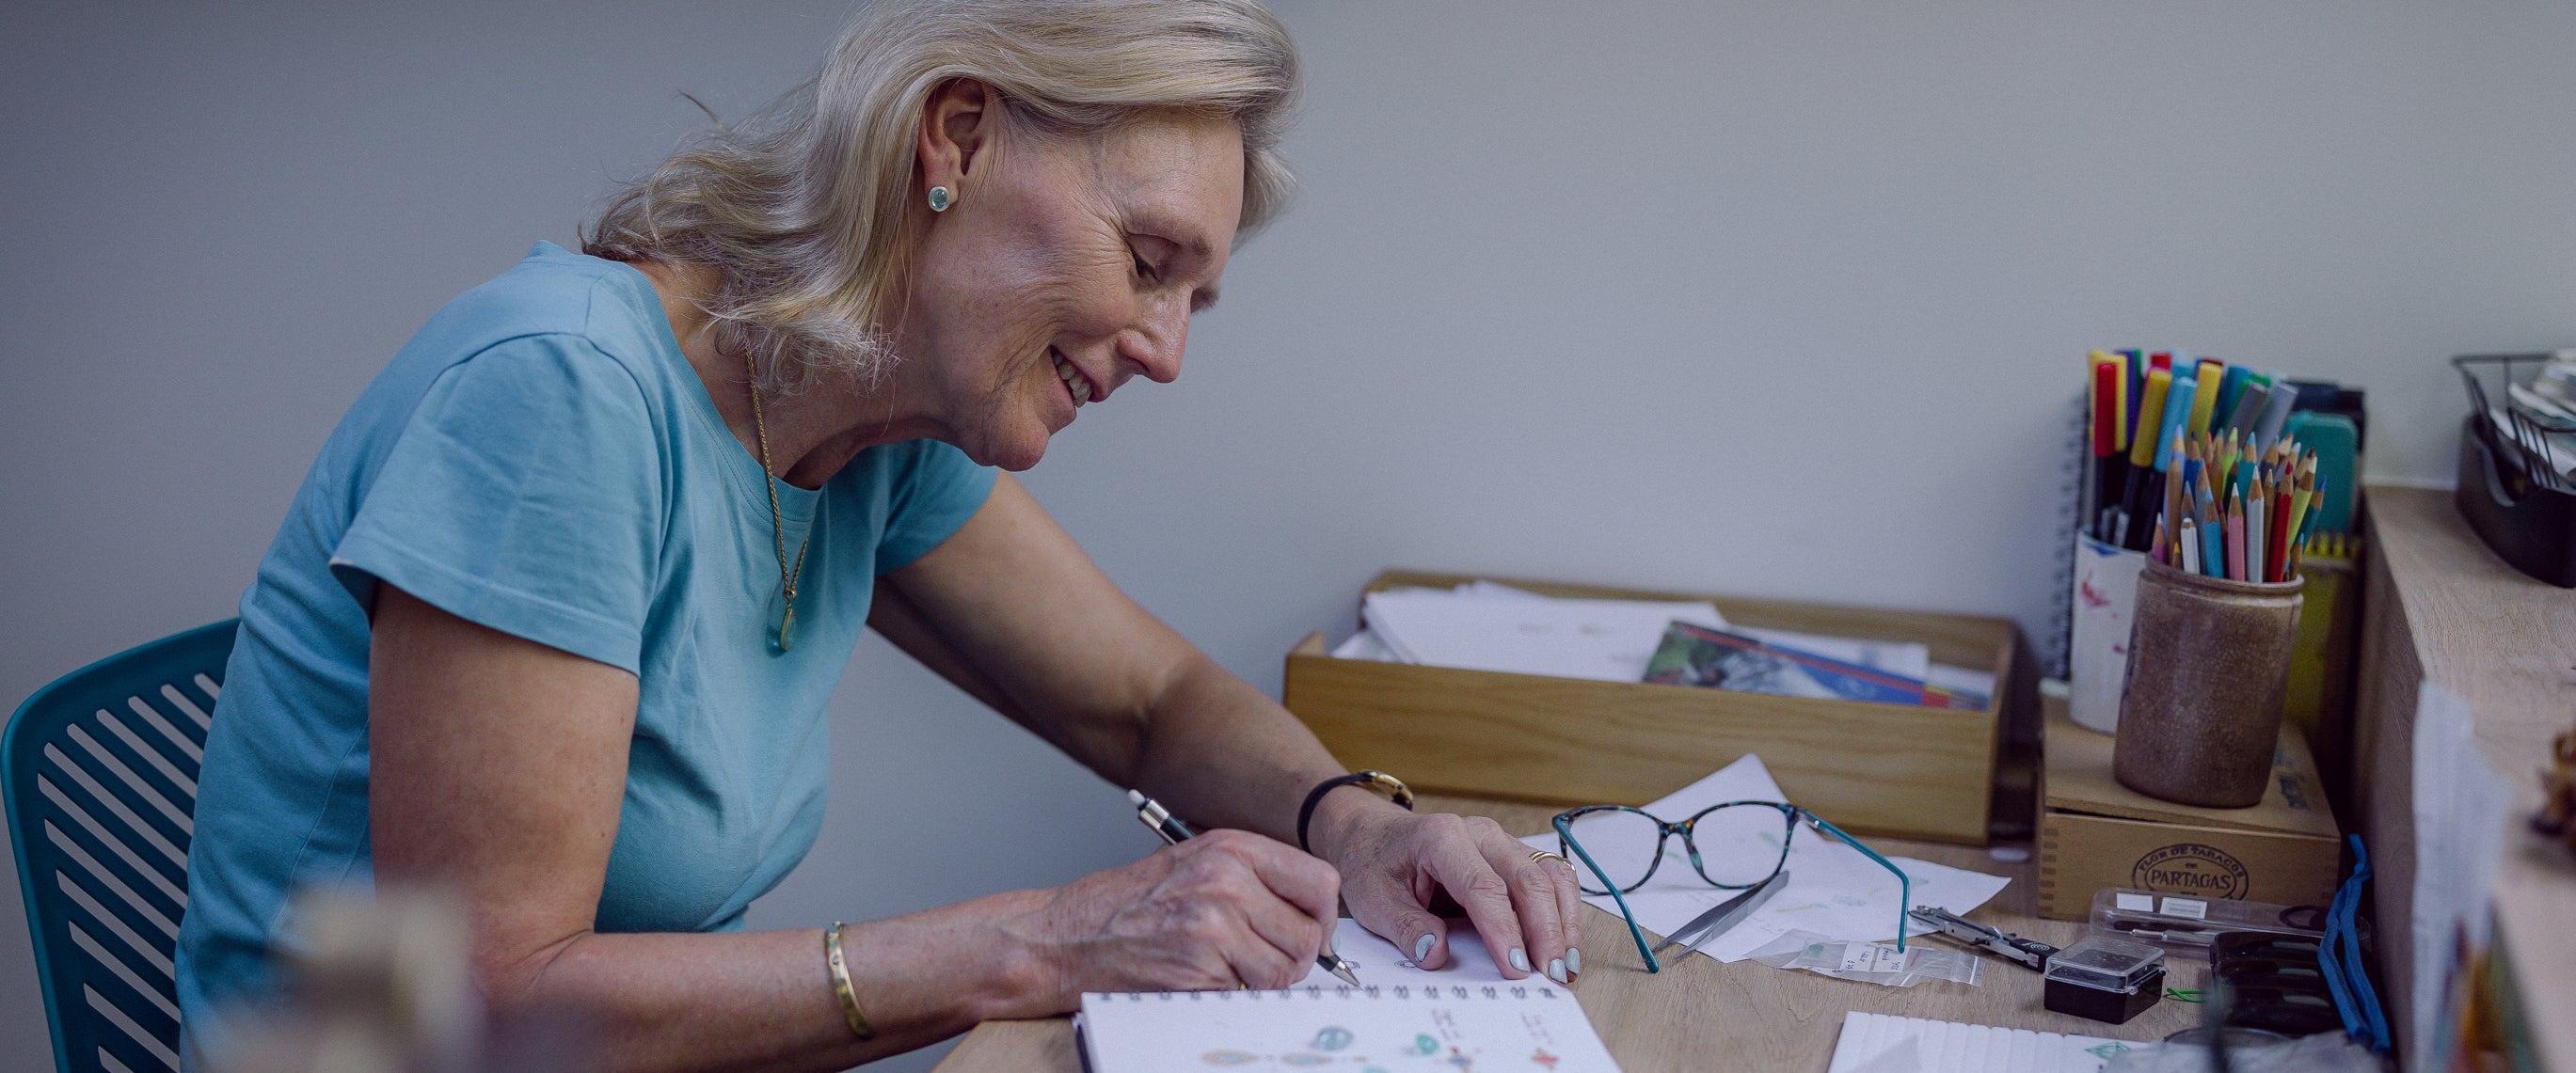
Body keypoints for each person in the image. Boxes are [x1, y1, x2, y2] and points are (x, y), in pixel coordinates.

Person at [175, 1, 1583, 1068]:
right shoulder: (563, 395)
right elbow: (479, 1005)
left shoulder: (868, 434)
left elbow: (1149, 703)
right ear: (956, 136)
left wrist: (1355, 826)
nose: (1162, 351)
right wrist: (1043, 939)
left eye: (1193, 302)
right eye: (1148, 265)